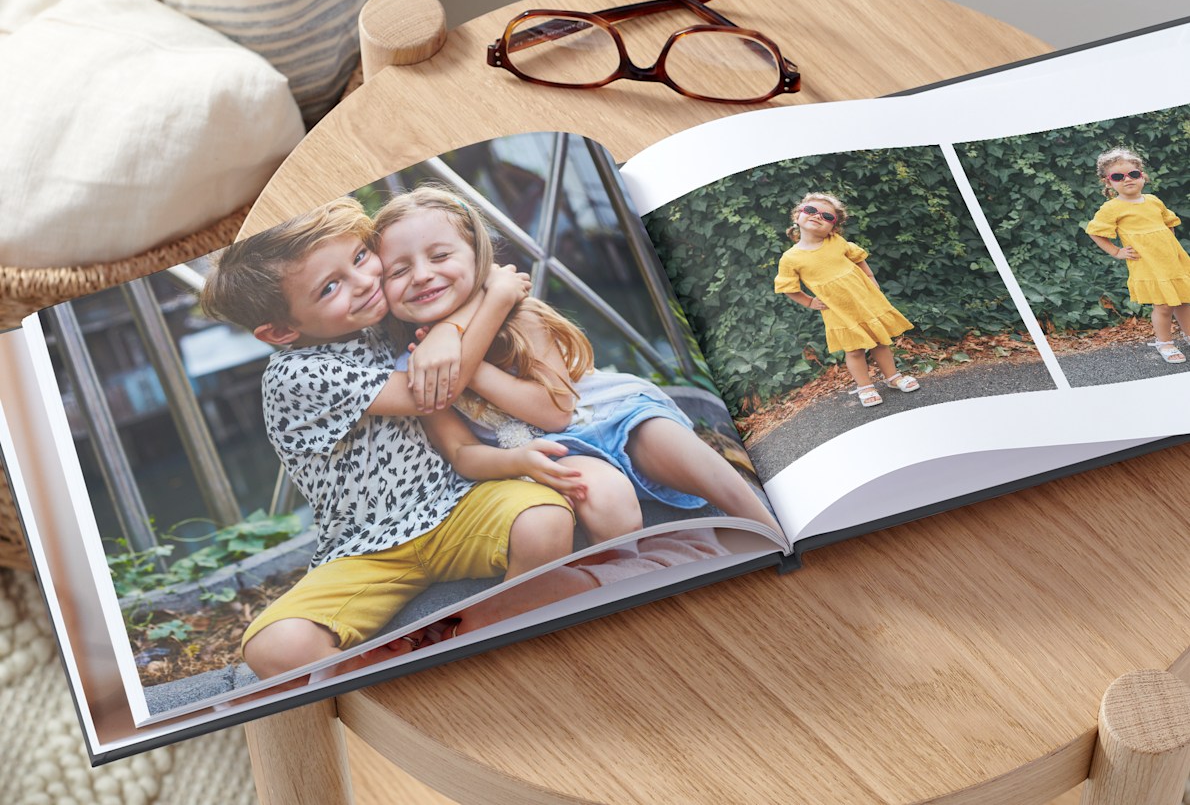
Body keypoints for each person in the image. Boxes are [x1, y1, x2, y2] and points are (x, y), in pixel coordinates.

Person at [200, 197, 578, 680]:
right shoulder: (297, 374)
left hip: (455, 506)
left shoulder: (377, 315)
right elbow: (432, 391)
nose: (364, 282)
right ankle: (404, 682)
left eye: (359, 257)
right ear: (279, 331)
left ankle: (494, 640)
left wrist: (452, 325)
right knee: (275, 646)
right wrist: (497, 298)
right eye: (331, 287)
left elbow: (460, 281)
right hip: (367, 547)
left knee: (543, 521)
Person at [373, 185, 781, 537]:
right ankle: (633, 571)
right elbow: (461, 453)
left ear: (478, 257)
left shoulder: (519, 316)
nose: (423, 275)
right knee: (606, 501)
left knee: (672, 444)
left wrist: (468, 364)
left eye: (440, 255)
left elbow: (556, 411)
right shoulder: (412, 366)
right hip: (550, 454)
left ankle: (771, 528)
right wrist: (515, 462)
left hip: (606, 414)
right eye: (400, 270)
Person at [774, 192, 918, 408]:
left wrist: (870, 279)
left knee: (880, 341)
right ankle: (865, 386)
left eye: (827, 216)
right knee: (854, 350)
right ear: (797, 216)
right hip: (838, 310)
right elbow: (788, 287)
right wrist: (810, 302)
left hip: (863, 300)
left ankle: (893, 378)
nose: (817, 216)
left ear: (834, 227)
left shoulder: (836, 242)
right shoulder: (790, 258)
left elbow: (858, 259)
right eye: (811, 211)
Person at [1086, 146, 1190, 364]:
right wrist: (1116, 251)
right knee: (1163, 305)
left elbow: (1168, 224)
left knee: (1184, 300)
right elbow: (1095, 232)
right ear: (1108, 182)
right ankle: (1165, 343)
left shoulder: (1153, 200)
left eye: (1133, 174)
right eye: (1118, 176)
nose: (1127, 179)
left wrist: (1169, 246)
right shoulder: (1112, 208)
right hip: (1147, 263)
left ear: (1142, 175)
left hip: (1172, 260)